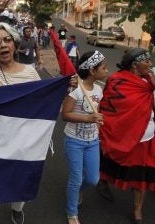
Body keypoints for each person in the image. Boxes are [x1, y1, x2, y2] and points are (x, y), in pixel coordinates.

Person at [0, 0, 77, 224]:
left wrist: (64, 88)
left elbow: (40, 106)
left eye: (6, 40)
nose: (2, 45)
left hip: (21, 141)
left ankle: (17, 207)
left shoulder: (30, 72)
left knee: (19, 181)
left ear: (14, 44)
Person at [98, 48, 155, 224]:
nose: (151, 64)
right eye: (147, 61)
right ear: (135, 64)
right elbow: (108, 106)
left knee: (140, 175)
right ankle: (102, 182)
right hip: (122, 134)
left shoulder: (150, 82)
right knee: (112, 161)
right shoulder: (117, 80)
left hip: (146, 139)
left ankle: (137, 210)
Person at [62, 50, 108, 224]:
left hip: (93, 141)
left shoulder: (98, 89)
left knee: (93, 179)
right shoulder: (75, 90)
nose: (107, 71)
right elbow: (65, 115)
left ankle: (76, 191)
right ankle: (72, 212)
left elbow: (96, 111)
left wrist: (96, 126)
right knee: (76, 178)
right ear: (92, 71)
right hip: (74, 140)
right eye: (104, 68)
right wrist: (88, 118)